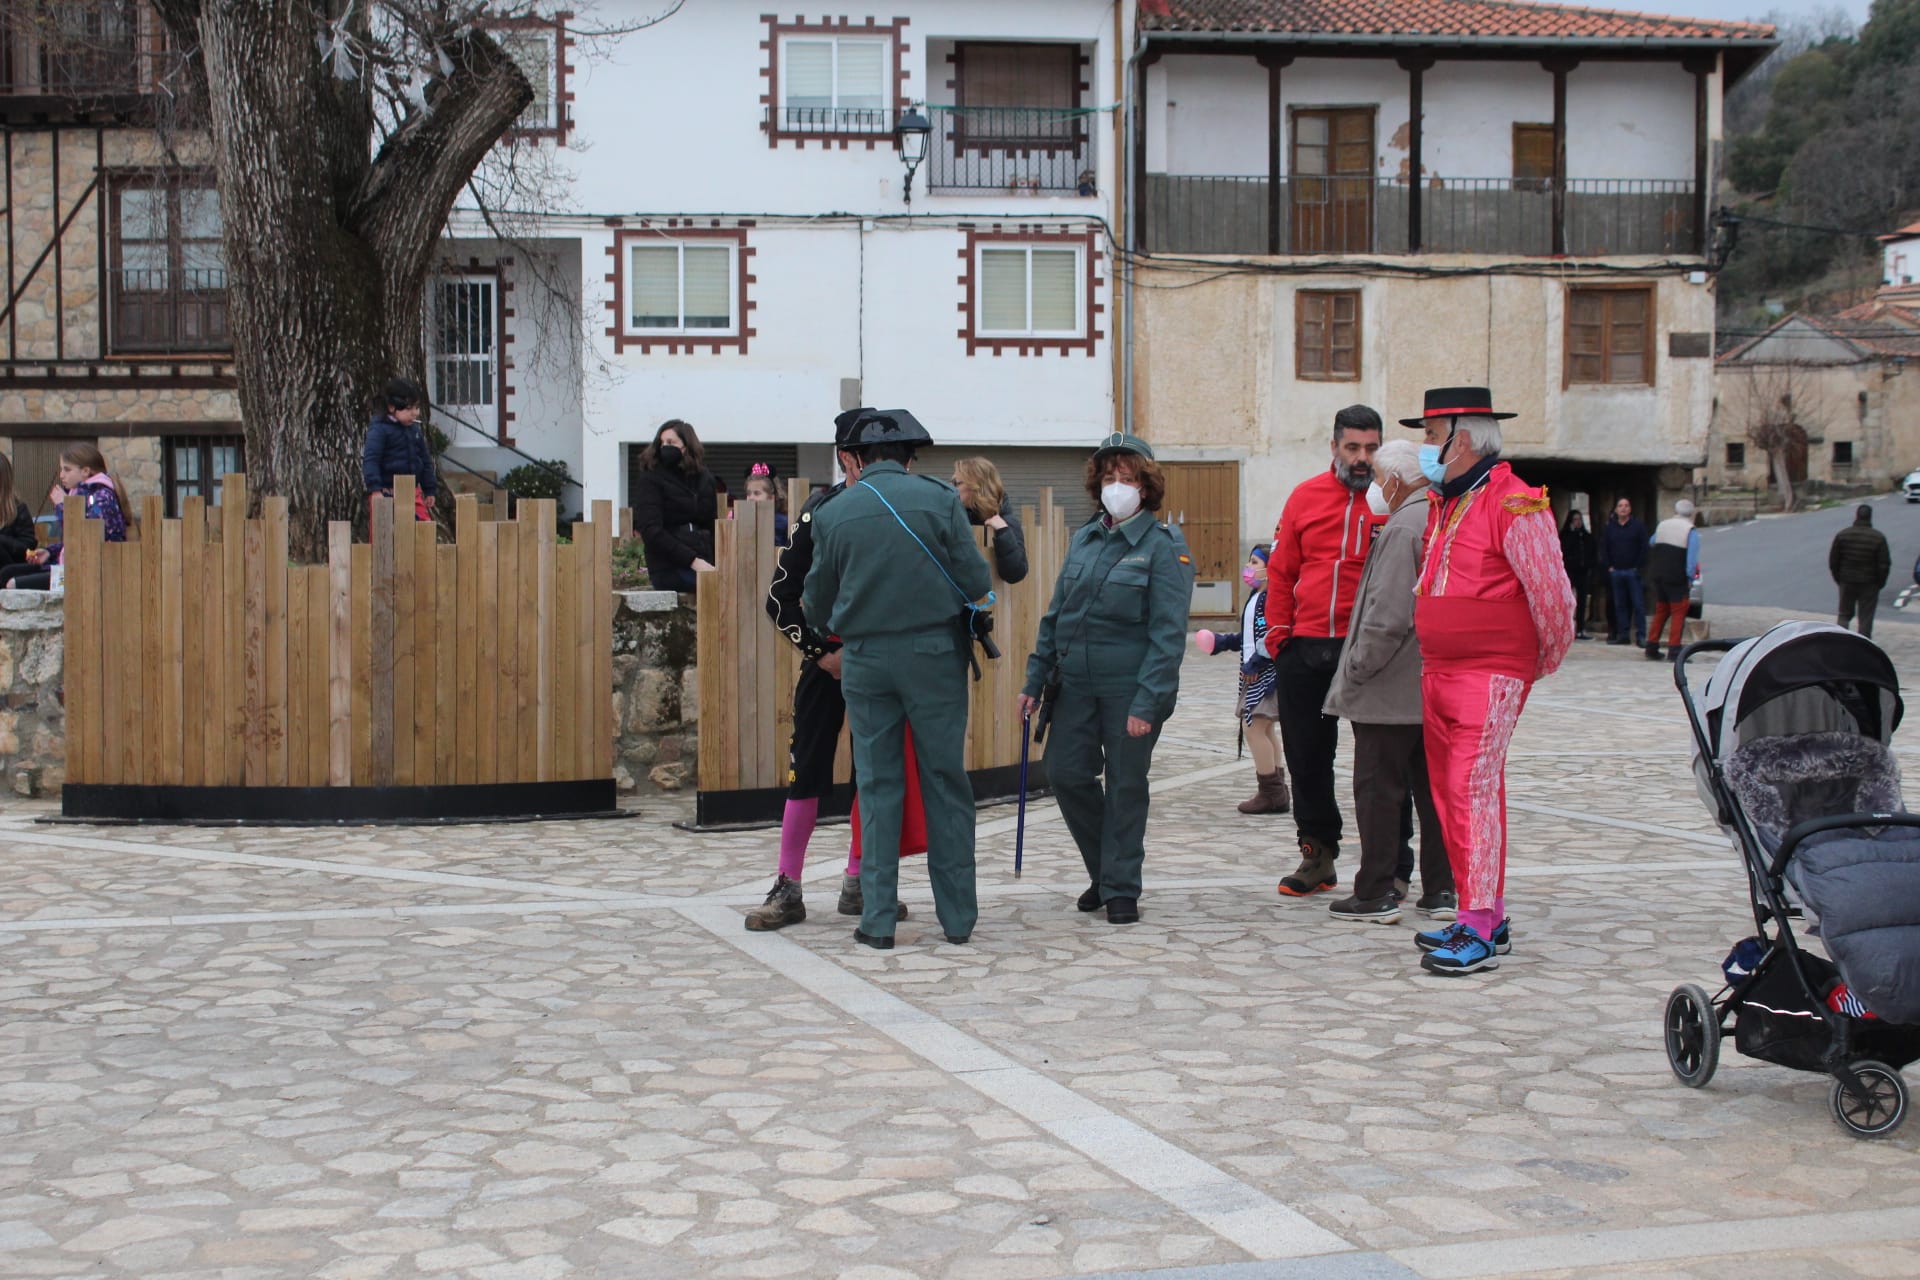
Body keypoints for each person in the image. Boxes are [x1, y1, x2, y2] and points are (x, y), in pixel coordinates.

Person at [804, 408, 993, 949]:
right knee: (944, 782)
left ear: (858, 458)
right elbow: (977, 580)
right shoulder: (939, 500)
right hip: (934, 655)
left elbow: (816, 604)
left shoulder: (835, 511)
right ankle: (957, 919)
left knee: (878, 784)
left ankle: (878, 920)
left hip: (865, 660)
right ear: (909, 456)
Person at [1403, 387, 1574, 975]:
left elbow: (1552, 593)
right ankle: (1487, 912)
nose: (1426, 447)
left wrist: (1536, 663)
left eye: (1431, 435)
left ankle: (1476, 923)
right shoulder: (1446, 502)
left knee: (1470, 788)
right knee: (1456, 792)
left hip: (1491, 669)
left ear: (1464, 438)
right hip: (1440, 668)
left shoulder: (1516, 501)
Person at [1019, 433, 1193, 924]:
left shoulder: (1162, 548)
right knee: (1066, 774)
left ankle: (1120, 888)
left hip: (1129, 688)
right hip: (1074, 684)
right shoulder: (1085, 537)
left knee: (1125, 786)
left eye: (1129, 478)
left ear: (1146, 487)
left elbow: (1166, 635)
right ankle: (1104, 868)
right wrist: (1034, 680)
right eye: (1110, 477)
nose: (1118, 486)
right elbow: (1057, 615)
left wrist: (1147, 702)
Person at [749, 409, 909, 932]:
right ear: (848, 458)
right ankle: (787, 886)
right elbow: (780, 598)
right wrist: (822, 654)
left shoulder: (901, 509)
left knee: (874, 773)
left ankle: (859, 881)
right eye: (873, 454)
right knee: (806, 772)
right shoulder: (821, 512)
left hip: (881, 663)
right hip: (828, 662)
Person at [1321, 439, 1453, 925]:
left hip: (1390, 687)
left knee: (1378, 792)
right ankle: (1443, 889)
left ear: (1396, 480)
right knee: (1433, 794)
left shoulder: (1404, 527)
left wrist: (1357, 666)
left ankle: (1375, 891)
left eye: (1378, 478)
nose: (1375, 487)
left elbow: (1389, 614)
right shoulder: (1441, 515)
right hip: (1430, 685)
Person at [1263, 405, 1386, 898]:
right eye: (1353, 447)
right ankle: (1318, 855)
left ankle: (1391, 862)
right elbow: (1281, 571)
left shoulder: (1393, 499)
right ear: (1334, 447)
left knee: (1381, 761)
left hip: (1372, 650)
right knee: (1307, 757)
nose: (1362, 458)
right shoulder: (1305, 496)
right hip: (1306, 647)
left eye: (1372, 448)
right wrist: (1279, 637)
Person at [1193, 545, 1291, 815]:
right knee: (1266, 729)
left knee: (1254, 729)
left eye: (1256, 562)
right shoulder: (1255, 597)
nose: (1249, 567)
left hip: (1264, 674)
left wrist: (1257, 662)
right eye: (1249, 561)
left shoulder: (1271, 597)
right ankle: (1278, 788)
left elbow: (1273, 635)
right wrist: (1222, 643)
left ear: (1271, 567)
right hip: (1253, 672)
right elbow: (1247, 636)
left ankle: (1270, 791)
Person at [2, 443, 130, 589]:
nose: (61, 475)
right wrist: (50, 552)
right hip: (69, 565)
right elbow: (72, 540)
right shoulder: (80, 494)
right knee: (7, 573)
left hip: (89, 571)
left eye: (67, 470)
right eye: (61, 469)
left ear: (85, 471)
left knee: (13, 583)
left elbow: (87, 537)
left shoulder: (101, 496)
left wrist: (63, 507)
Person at [632, 419, 719, 593]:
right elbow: (651, 530)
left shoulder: (705, 479)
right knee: (716, 588)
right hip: (669, 566)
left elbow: (711, 524)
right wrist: (693, 561)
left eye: (671, 442)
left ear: (686, 446)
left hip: (704, 561)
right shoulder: (651, 479)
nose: (665, 447)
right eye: (661, 443)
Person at [362, 378, 438, 522]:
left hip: (412, 491)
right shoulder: (379, 429)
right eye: (409, 409)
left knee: (423, 528)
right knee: (385, 533)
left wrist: (429, 489)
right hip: (386, 492)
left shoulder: (414, 430)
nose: (414, 413)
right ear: (392, 407)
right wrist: (375, 489)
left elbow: (425, 460)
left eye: (416, 407)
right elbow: (371, 459)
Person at [951, 457, 1029, 584]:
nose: (951, 487)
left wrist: (1003, 532)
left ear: (977, 486)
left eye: (957, 483)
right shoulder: (953, 517)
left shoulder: (1006, 521)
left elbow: (1016, 573)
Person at [1645, 499, 1701, 660]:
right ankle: (1674, 649)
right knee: (1678, 612)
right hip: (1677, 576)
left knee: (1661, 610)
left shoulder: (1663, 525)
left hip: (1658, 573)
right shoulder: (1690, 530)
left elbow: (1652, 541)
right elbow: (1691, 560)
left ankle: (1651, 645)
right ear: (1691, 513)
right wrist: (1690, 578)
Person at [1829, 503, 1891, 638]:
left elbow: (1834, 561)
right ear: (1870, 517)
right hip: (1870, 583)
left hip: (1847, 580)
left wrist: (1839, 578)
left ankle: (1839, 640)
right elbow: (1884, 564)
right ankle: (1863, 643)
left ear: (1856, 516)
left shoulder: (1842, 535)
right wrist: (1880, 583)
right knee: (1866, 617)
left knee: (1844, 613)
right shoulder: (1878, 538)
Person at [1598, 496, 1648, 647]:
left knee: (1638, 604)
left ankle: (1641, 636)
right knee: (1619, 605)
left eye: (1626, 505)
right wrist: (1609, 566)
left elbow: (1644, 547)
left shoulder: (1637, 526)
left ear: (1630, 509)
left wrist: (1638, 565)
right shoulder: (1610, 528)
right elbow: (1604, 548)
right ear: (1616, 509)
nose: (1623, 508)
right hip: (1616, 572)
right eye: (1620, 506)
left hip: (1632, 571)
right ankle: (1623, 635)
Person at [1559, 508, 1595, 640]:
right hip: (1569, 572)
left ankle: (1580, 629)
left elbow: (1591, 551)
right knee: (1567, 601)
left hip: (1583, 572)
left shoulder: (1586, 536)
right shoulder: (1565, 536)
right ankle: (1565, 629)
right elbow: (1564, 550)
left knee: (1582, 601)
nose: (1578, 522)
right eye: (1575, 519)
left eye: (1579, 519)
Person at [741, 462, 790, 547]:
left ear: (771, 498)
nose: (751, 497)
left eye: (757, 493)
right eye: (748, 493)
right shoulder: (742, 519)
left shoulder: (782, 522)